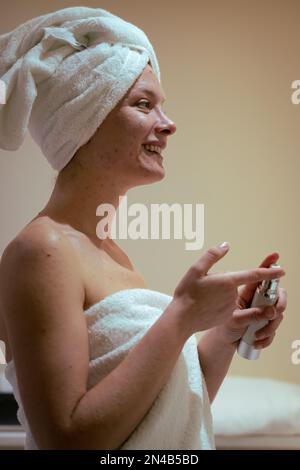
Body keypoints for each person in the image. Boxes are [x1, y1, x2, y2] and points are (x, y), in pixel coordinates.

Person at [0, 7, 287, 450]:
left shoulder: (112, 255)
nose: (169, 125)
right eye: (143, 104)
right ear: (85, 123)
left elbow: (168, 410)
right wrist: (179, 317)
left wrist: (227, 333)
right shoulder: (42, 250)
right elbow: (69, 439)